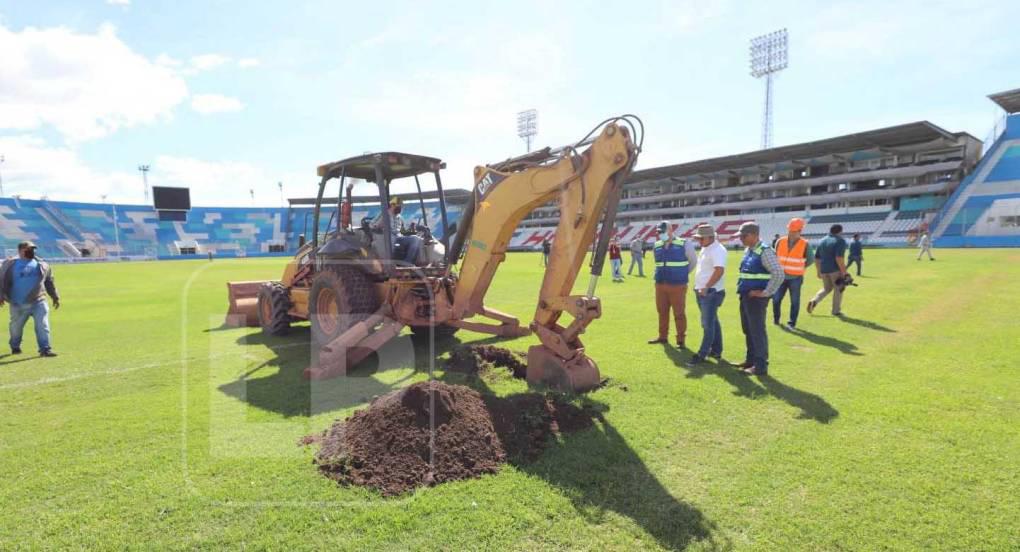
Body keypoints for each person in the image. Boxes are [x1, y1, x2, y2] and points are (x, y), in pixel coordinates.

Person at [735, 223, 784, 376]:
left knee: (757, 331)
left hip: (756, 299)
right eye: (740, 236)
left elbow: (778, 273)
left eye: (744, 236)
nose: (741, 239)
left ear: (755, 235)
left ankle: (761, 365)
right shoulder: (749, 250)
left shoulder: (765, 251)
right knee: (748, 329)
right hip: (746, 296)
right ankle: (750, 360)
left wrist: (765, 292)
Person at [0, 241, 60, 357]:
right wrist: (0, 295)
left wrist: (55, 296)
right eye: (29, 249)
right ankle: (15, 346)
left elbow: (49, 281)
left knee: (42, 325)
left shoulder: (42, 264)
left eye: (33, 249)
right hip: (17, 303)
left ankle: (45, 349)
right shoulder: (9, 265)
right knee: (15, 329)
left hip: (38, 301)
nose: (32, 251)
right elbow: (1, 281)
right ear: (21, 251)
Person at [647, 221, 697, 347]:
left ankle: (680, 340)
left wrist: (681, 274)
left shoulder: (684, 244)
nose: (660, 235)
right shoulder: (657, 245)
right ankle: (662, 336)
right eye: (658, 232)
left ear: (670, 230)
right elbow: (657, 263)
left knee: (679, 313)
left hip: (678, 285)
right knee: (662, 311)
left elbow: (693, 262)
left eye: (662, 232)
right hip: (660, 285)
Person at [687, 225, 727, 366]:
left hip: (710, 292)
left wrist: (706, 286)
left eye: (701, 238)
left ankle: (702, 354)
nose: (699, 241)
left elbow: (719, 270)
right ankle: (716, 350)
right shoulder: (707, 248)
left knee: (707, 324)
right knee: (713, 321)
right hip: (703, 291)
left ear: (710, 237)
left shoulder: (717, 250)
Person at [772, 217, 813, 329]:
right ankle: (776, 319)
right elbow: (775, 256)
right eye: (790, 230)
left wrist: (799, 267)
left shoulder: (805, 244)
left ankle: (792, 323)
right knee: (776, 299)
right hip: (780, 276)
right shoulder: (780, 241)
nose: (791, 233)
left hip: (795, 278)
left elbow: (810, 259)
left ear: (800, 231)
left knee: (794, 301)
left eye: (794, 231)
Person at [807, 224, 849, 316]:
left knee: (827, 288)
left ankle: (814, 300)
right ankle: (836, 311)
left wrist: (818, 271)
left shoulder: (822, 241)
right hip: (835, 270)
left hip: (823, 269)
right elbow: (839, 258)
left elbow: (817, 258)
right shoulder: (840, 241)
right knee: (839, 289)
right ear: (840, 231)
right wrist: (844, 272)